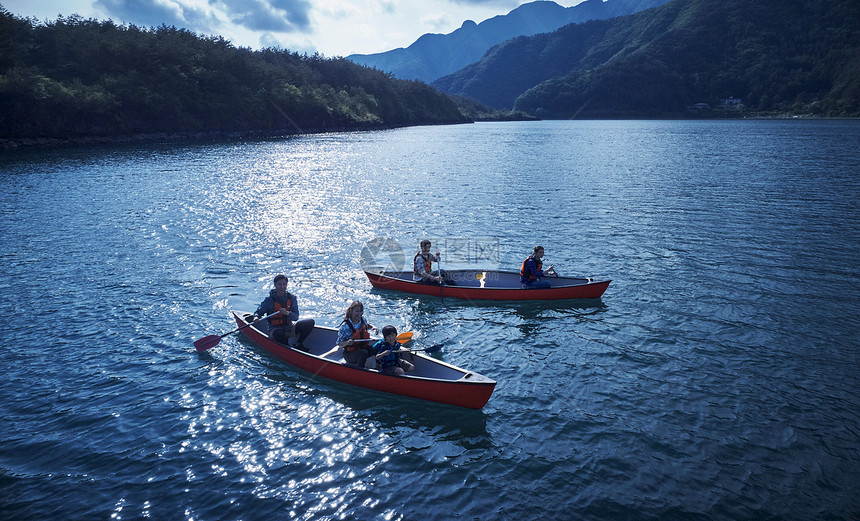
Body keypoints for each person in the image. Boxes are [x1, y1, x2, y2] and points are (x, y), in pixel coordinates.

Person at [254, 274, 315, 351]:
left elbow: (296, 317)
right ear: (275, 285)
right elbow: (258, 312)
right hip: (275, 330)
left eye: (284, 284)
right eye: (279, 284)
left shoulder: (292, 298)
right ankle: (288, 349)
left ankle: (299, 344)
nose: (282, 287)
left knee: (310, 322)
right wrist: (256, 317)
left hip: (289, 328)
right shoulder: (269, 300)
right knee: (279, 334)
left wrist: (287, 313)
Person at [336, 300, 379, 367]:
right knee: (363, 353)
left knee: (375, 349)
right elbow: (339, 344)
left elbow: (367, 325)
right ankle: (360, 370)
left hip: (362, 348)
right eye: (357, 311)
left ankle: (376, 366)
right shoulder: (345, 326)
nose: (359, 313)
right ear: (351, 311)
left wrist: (373, 327)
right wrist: (347, 342)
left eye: (361, 311)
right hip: (349, 354)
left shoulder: (363, 319)